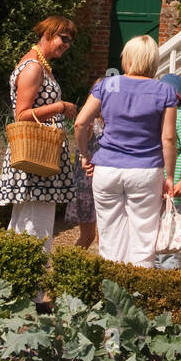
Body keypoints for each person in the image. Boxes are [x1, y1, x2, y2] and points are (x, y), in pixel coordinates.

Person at [74, 35, 177, 269]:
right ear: (153, 61)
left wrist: (84, 154)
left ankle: (109, 297)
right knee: (143, 239)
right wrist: (169, 177)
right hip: (145, 170)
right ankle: (137, 297)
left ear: (127, 58)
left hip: (107, 169)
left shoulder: (108, 85)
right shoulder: (165, 91)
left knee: (109, 238)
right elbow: (168, 138)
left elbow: (80, 123)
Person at [0, 17, 77, 258]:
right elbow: (21, 114)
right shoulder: (33, 67)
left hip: (38, 155)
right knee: (36, 225)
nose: (67, 45)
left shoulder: (39, 64)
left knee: (27, 223)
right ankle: (32, 290)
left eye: (70, 41)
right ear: (48, 33)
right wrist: (60, 106)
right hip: (36, 159)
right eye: (64, 38)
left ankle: (17, 284)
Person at [153, 72, 181, 271]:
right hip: (154, 186)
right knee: (152, 235)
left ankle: (168, 280)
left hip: (172, 189)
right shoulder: (157, 117)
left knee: (169, 237)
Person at [63, 80, 105, 249]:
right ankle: (67, 269)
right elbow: (82, 136)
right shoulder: (88, 119)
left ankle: (105, 270)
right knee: (88, 236)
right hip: (87, 181)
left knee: (105, 235)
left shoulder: (114, 119)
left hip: (104, 179)